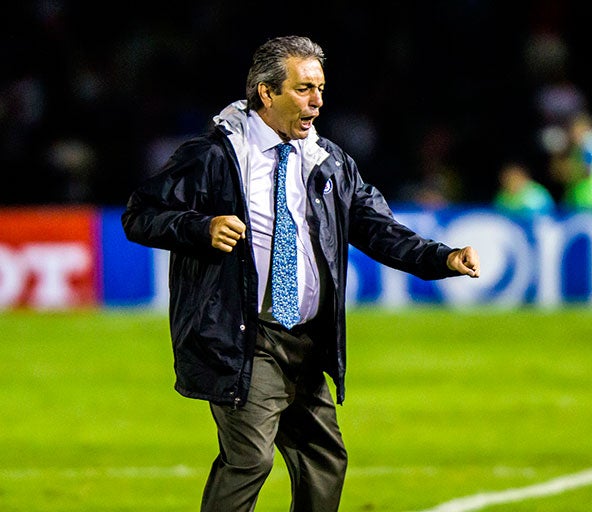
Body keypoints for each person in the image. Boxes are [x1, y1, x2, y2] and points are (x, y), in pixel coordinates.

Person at [121, 35, 480, 511]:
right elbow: (140, 213)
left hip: (307, 340)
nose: (318, 102)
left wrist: (441, 258)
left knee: (323, 457)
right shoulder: (214, 155)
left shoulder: (329, 162)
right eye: (305, 89)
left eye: (321, 89)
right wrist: (199, 226)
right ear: (267, 93)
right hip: (247, 335)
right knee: (249, 457)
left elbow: (377, 228)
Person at [550, 111, 592, 210]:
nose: (570, 134)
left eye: (572, 129)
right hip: (577, 204)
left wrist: (568, 171)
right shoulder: (577, 148)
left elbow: (589, 171)